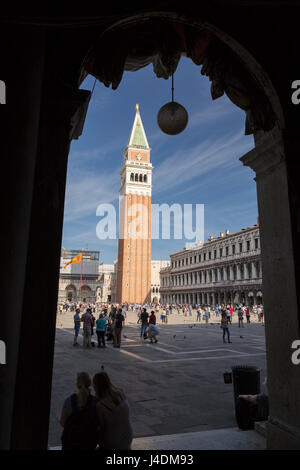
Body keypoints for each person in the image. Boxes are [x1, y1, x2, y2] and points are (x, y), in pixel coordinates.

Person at [93, 372, 133, 450]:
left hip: (114, 443)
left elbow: (101, 426)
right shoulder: (120, 392)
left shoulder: (101, 405)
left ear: (96, 386)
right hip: (128, 438)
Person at [60, 372, 98, 450]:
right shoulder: (95, 402)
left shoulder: (69, 401)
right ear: (89, 383)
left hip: (69, 445)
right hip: (88, 445)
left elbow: (62, 423)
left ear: (77, 384)